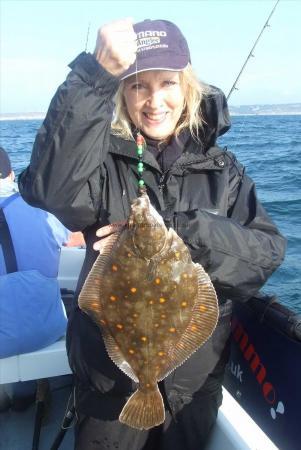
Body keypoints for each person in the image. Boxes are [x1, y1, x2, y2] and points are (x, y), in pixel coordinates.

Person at [18, 18, 286, 450]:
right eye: (138, 86)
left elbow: (265, 255)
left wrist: (185, 231)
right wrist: (95, 74)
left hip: (192, 392)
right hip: (108, 391)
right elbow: (48, 188)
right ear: (122, 94)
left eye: (168, 84)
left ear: (188, 88)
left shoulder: (226, 173)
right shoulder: (100, 166)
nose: (154, 100)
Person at [0, 147, 80, 412]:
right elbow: (73, 239)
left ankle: (21, 398)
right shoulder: (41, 209)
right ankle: (42, 388)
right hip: (49, 330)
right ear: (11, 174)